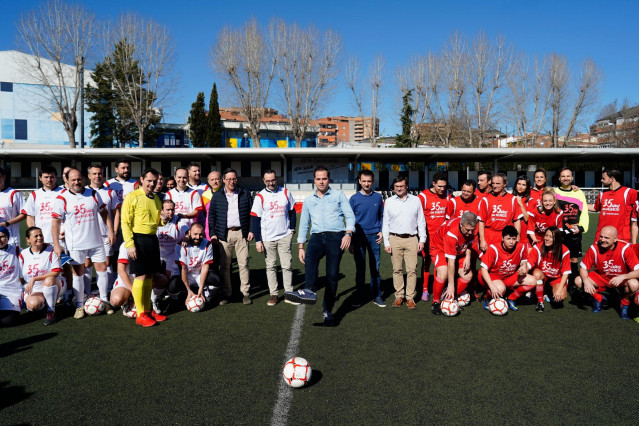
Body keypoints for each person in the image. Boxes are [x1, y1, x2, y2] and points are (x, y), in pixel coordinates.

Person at [285, 166, 355, 326]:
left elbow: (349, 215)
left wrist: (348, 233)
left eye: (324, 178)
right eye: (318, 178)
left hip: (336, 236)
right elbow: (304, 223)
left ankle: (327, 310)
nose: (321, 181)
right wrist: (301, 246)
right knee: (310, 258)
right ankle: (309, 290)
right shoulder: (309, 200)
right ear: (314, 180)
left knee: (332, 276)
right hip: (316, 236)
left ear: (328, 179)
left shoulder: (338, 195)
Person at [52, 168, 114, 319]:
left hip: (96, 240)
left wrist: (111, 231)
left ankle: (105, 301)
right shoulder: (62, 198)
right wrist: (56, 244)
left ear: (83, 179)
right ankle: (79, 305)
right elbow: (55, 222)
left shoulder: (93, 194)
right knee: (78, 274)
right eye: (73, 179)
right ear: (66, 180)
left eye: (79, 179)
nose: (76, 182)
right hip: (76, 244)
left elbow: (104, 212)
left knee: (102, 269)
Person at [120, 167, 166, 327]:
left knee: (150, 276)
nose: (152, 184)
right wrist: (130, 244)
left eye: (155, 181)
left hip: (152, 239)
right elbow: (125, 222)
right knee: (140, 276)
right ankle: (140, 314)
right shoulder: (132, 197)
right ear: (141, 180)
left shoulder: (156, 199)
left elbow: (157, 221)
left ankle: (148, 310)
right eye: (149, 181)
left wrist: (164, 220)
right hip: (138, 239)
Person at [251, 170, 297, 307]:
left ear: (277, 179)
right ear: (264, 181)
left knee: (287, 265)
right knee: (270, 266)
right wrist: (258, 240)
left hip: (284, 235)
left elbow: (292, 211)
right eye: (267, 181)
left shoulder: (286, 192)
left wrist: (292, 229)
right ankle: (274, 294)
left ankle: (289, 292)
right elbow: (255, 218)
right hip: (267, 237)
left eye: (273, 180)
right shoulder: (260, 196)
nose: (271, 183)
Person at [208, 168, 254, 305]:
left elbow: (252, 214)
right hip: (224, 234)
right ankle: (226, 293)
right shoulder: (217, 196)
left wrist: (251, 230)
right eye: (228, 179)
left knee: (243, 264)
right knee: (225, 266)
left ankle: (245, 293)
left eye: (234, 178)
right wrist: (212, 233)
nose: (231, 181)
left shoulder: (245, 193)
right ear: (223, 180)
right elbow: (211, 216)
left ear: (237, 179)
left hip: (242, 233)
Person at [381, 174, 426, 310]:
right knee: (397, 269)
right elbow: (385, 224)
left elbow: (421, 221)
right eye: (396, 187)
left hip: (412, 239)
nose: (399, 189)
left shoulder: (416, 200)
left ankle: (410, 298)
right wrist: (387, 243)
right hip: (394, 239)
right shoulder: (389, 201)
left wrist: (422, 240)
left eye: (401, 186)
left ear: (406, 186)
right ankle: (399, 296)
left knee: (412, 269)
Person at [576, 226, 639, 319]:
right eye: (601, 236)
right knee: (579, 280)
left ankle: (625, 303)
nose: (602, 240)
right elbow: (583, 268)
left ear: (615, 239)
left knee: (634, 284)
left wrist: (622, 277)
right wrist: (585, 282)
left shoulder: (625, 248)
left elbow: (638, 271)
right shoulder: (594, 248)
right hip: (602, 277)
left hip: (620, 279)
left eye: (606, 238)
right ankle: (598, 298)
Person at [479, 226, 536, 312]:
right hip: (493, 276)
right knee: (500, 289)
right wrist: (491, 286)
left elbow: (524, 260)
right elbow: (483, 269)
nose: (511, 242)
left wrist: (523, 267)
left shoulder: (521, 247)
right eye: (508, 239)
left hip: (509, 276)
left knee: (533, 281)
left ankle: (511, 298)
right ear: (502, 238)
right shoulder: (493, 249)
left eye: (514, 239)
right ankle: (486, 297)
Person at [429, 212, 477, 314]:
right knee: (444, 272)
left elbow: (469, 243)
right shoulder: (452, 234)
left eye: (472, 230)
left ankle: (450, 298)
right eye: (468, 230)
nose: (470, 233)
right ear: (461, 225)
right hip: (439, 248)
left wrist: (468, 256)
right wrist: (451, 285)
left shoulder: (469, 227)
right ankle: (436, 302)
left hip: (458, 249)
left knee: (468, 275)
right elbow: (451, 263)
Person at [349, 170, 384, 308]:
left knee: (375, 268)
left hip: (374, 237)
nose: (366, 183)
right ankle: (360, 296)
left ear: (373, 182)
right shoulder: (354, 199)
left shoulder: (377, 197)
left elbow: (382, 216)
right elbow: (349, 219)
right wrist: (351, 240)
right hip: (358, 238)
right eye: (364, 181)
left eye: (369, 181)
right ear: (359, 181)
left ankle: (377, 295)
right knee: (360, 268)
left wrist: (381, 231)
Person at [87, 165, 120, 298]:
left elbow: (116, 213)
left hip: (106, 234)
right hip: (88, 235)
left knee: (107, 263)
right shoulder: (84, 191)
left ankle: (107, 292)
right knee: (87, 264)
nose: (97, 176)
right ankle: (86, 293)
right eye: (94, 174)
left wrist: (114, 232)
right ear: (89, 176)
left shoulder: (110, 192)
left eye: (100, 173)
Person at [109, 242, 168, 318]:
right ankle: (128, 301)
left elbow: (153, 268)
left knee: (162, 280)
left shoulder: (149, 242)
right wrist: (134, 291)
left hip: (144, 277)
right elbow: (121, 270)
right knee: (116, 300)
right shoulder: (125, 245)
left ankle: (152, 299)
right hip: (128, 279)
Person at [19, 227, 64, 325]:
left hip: (54, 284)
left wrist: (34, 279)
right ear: (28, 239)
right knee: (33, 306)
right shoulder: (23, 254)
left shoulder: (52, 250)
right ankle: (44, 301)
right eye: (36, 236)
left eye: (41, 235)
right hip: (35, 289)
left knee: (49, 280)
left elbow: (56, 272)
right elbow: (20, 275)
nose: (39, 237)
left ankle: (51, 310)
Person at [418, 172, 451, 302]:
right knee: (426, 263)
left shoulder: (448, 195)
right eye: (439, 186)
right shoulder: (423, 196)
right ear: (433, 183)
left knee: (441, 264)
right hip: (427, 237)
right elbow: (417, 218)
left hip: (443, 239)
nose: (442, 189)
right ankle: (425, 289)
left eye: (444, 186)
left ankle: (440, 287)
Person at [168, 223, 217, 309]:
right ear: (189, 232)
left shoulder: (208, 244)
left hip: (198, 274)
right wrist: (188, 290)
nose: (198, 237)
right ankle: (177, 298)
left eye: (200, 234)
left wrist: (201, 288)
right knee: (172, 285)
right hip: (185, 275)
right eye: (195, 234)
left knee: (217, 279)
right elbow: (183, 269)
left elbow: (205, 267)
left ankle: (206, 294)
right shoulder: (180, 245)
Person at [555, 167, 589, 290]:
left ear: (572, 178)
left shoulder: (579, 193)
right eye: (563, 176)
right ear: (559, 178)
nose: (566, 178)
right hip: (559, 233)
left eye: (568, 176)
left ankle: (573, 283)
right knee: (558, 258)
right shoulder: (554, 192)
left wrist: (581, 228)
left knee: (573, 259)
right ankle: (559, 282)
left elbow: (584, 212)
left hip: (574, 232)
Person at [526, 227, 571, 312]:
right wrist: (525, 268)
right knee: (536, 274)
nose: (547, 239)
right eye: (546, 236)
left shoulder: (564, 250)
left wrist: (560, 288)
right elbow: (530, 262)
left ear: (557, 239)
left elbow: (566, 272)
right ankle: (540, 301)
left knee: (560, 297)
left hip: (556, 278)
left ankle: (548, 291)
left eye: (551, 237)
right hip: (543, 276)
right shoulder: (538, 247)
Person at [588, 168, 637, 243]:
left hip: (621, 239)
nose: (601, 180)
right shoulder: (602, 193)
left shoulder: (629, 192)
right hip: (601, 238)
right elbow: (595, 207)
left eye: (603, 178)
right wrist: (576, 203)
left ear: (612, 179)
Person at [478, 173, 522, 252]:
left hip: (506, 235)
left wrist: (517, 238)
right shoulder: (485, 199)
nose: (495, 186)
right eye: (493, 183)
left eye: (498, 183)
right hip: (490, 235)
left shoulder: (512, 199)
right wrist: (482, 240)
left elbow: (517, 220)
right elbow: (481, 221)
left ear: (505, 184)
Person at [0, 226, 22, 327]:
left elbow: (33, 253)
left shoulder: (17, 250)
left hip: (11, 291)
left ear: (8, 237)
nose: (0, 240)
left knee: (8, 321)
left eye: (2, 236)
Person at [0, 166, 26, 247]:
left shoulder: (14, 194)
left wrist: (7, 223)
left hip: (11, 239)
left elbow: (24, 214)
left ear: (3, 177)